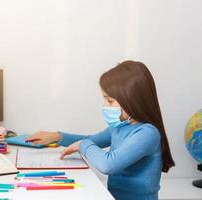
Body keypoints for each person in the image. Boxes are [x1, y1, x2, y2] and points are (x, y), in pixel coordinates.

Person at [26, 60, 175, 200]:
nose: (105, 105)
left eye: (109, 100)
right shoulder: (120, 127)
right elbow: (90, 139)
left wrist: (82, 145)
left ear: (131, 99)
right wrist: (56, 137)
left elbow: (108, 164)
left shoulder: (147, 133)